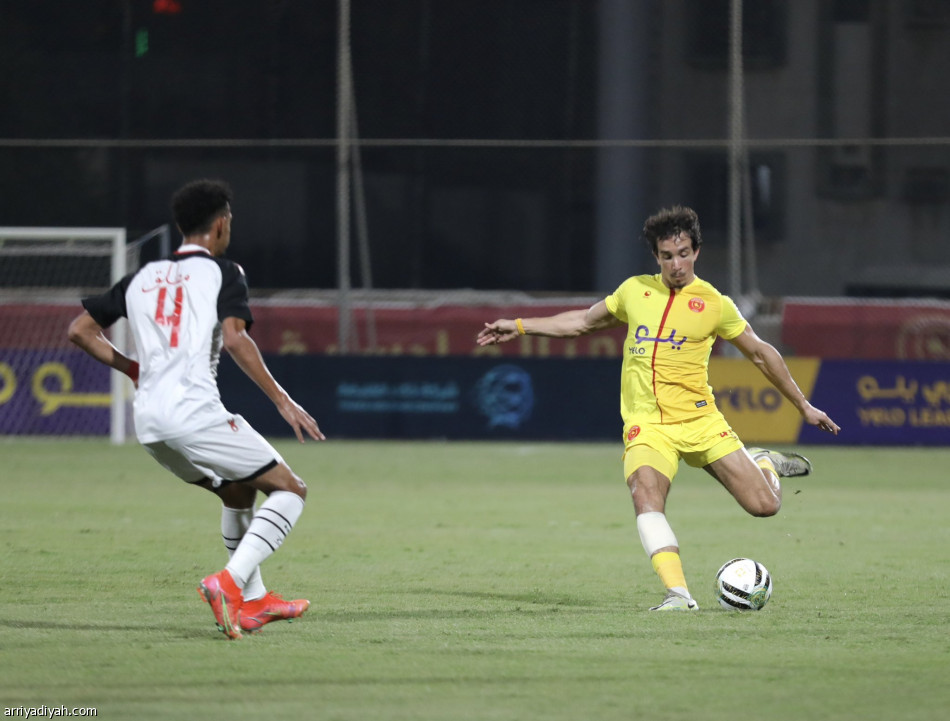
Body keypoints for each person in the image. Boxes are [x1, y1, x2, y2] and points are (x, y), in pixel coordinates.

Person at [476, 205, 840, 611]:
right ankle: (679, 595)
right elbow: (582, 322)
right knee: (645, 494)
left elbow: (759, 353)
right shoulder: (634, 291)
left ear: (696, 251)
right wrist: (520, 325)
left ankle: (763, 462)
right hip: (647, 425)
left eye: (683, 253)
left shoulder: (715, 304)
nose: (676, 264)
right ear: (656, 257)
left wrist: (803, 406)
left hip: (700, 421)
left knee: (765, 506)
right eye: (667, 256)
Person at [68, 178, 325, 638]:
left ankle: (254, 602)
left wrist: (133, 369)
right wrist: (283, 400)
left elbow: (80, 330)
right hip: (194, 414)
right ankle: (229, 582)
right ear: (221, 224)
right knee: (290, 490)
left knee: (238, 492)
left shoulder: (140, 278)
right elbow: (235, 339)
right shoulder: (225, 272)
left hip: (149, 423)